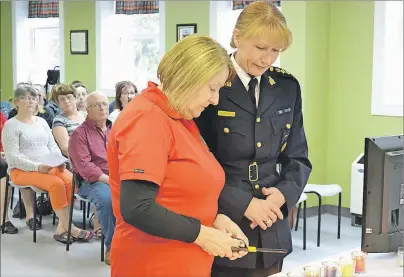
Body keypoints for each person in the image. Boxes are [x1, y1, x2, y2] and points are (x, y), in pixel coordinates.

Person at [107, 35, 249, 277]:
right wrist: (202, 235)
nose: (215, 100)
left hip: (185, 262)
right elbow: (137, 207)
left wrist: (214, 220)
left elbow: (177, 192)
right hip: (153, 263)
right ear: (187, 79)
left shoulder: (178, 117)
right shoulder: (147, 119)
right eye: (212, 89)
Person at [195, 2, 312, 277]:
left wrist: (283, 196)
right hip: (224, 223)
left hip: (272, 226)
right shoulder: (212, 83)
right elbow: (195, 166)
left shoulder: (286, 87)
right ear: (237, 37)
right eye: (261, 48)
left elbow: (298, 157)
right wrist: (243, 204)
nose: (267, 59)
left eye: (276, 51)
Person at [1, 83, 93, 243]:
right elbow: (13, 158)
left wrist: (59, 161)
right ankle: (71, 228)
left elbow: (52, 145)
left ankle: (61, 229)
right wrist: (37, 167)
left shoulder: (42, 122)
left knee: (71, 181)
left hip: (47, 166)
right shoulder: (11, 125)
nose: (30, 101)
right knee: (56, 184)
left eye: (33, 98)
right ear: (16, 101)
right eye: (25, 98)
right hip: (21, 170)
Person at [69, 92, 116, 265]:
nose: (103, 107)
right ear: (88, 110)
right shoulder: (79, 134)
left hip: (118, 176)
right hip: (91, 181)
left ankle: (135, 243)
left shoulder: (116, 129)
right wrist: (109, 180)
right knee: (107, 199)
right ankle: (112, 246)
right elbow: (85, 167)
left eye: (105, 103)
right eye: (97, 105)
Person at [52, 83, 85, 157]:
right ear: (58, 103)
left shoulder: (87, 116)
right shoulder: (59, 121)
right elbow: (65, 149)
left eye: (69, 97)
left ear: (75, 98)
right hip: (76, 161)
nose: (66, 101)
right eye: (62, 99)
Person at [0, 111, 18, 234]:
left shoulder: (1, 115)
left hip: (3, 155)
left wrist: (8, 152)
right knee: (4, 165)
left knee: (7, 166)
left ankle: (3, 218)